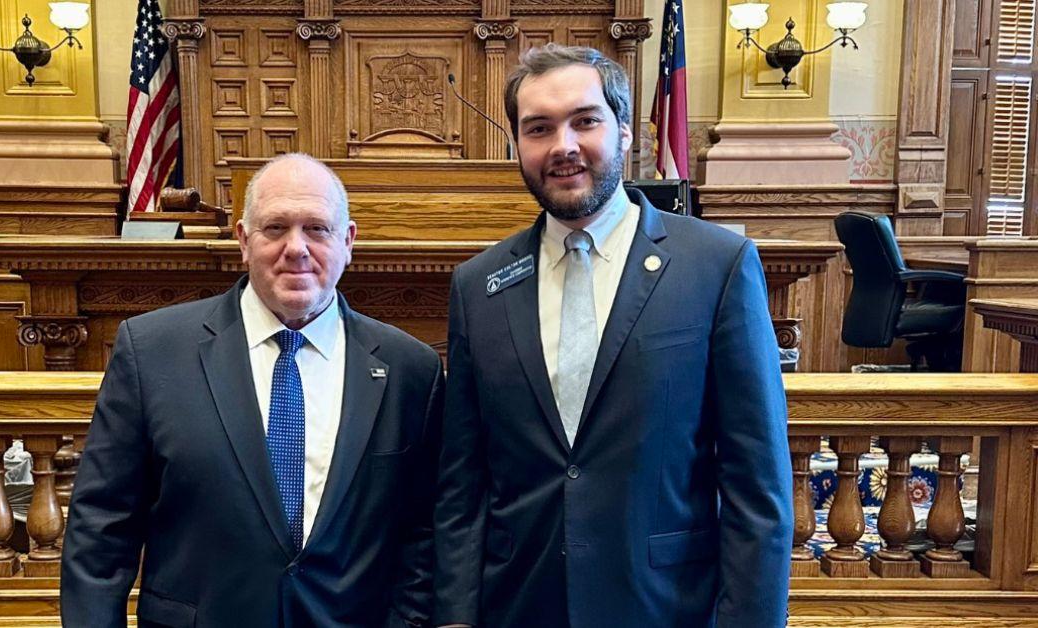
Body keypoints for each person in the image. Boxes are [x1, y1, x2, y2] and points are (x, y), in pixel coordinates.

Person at [433, 44, 792, 628]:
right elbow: (462, 486)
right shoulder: (478, 286)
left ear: (625, 132)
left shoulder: (715, 266)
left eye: (585, 121)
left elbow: (758, 487)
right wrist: (454, 618)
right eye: (539, 129)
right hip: (519, 605)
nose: (563, 146)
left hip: (663, 606)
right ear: (517, 145)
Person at [61, 153, 443, 628]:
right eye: (275, 228)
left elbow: (422, 536)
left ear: (348, 241)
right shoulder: (152, 351)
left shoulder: (410, 369)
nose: (296, 248)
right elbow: (101, 528)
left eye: (317, 229)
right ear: (243, 240)